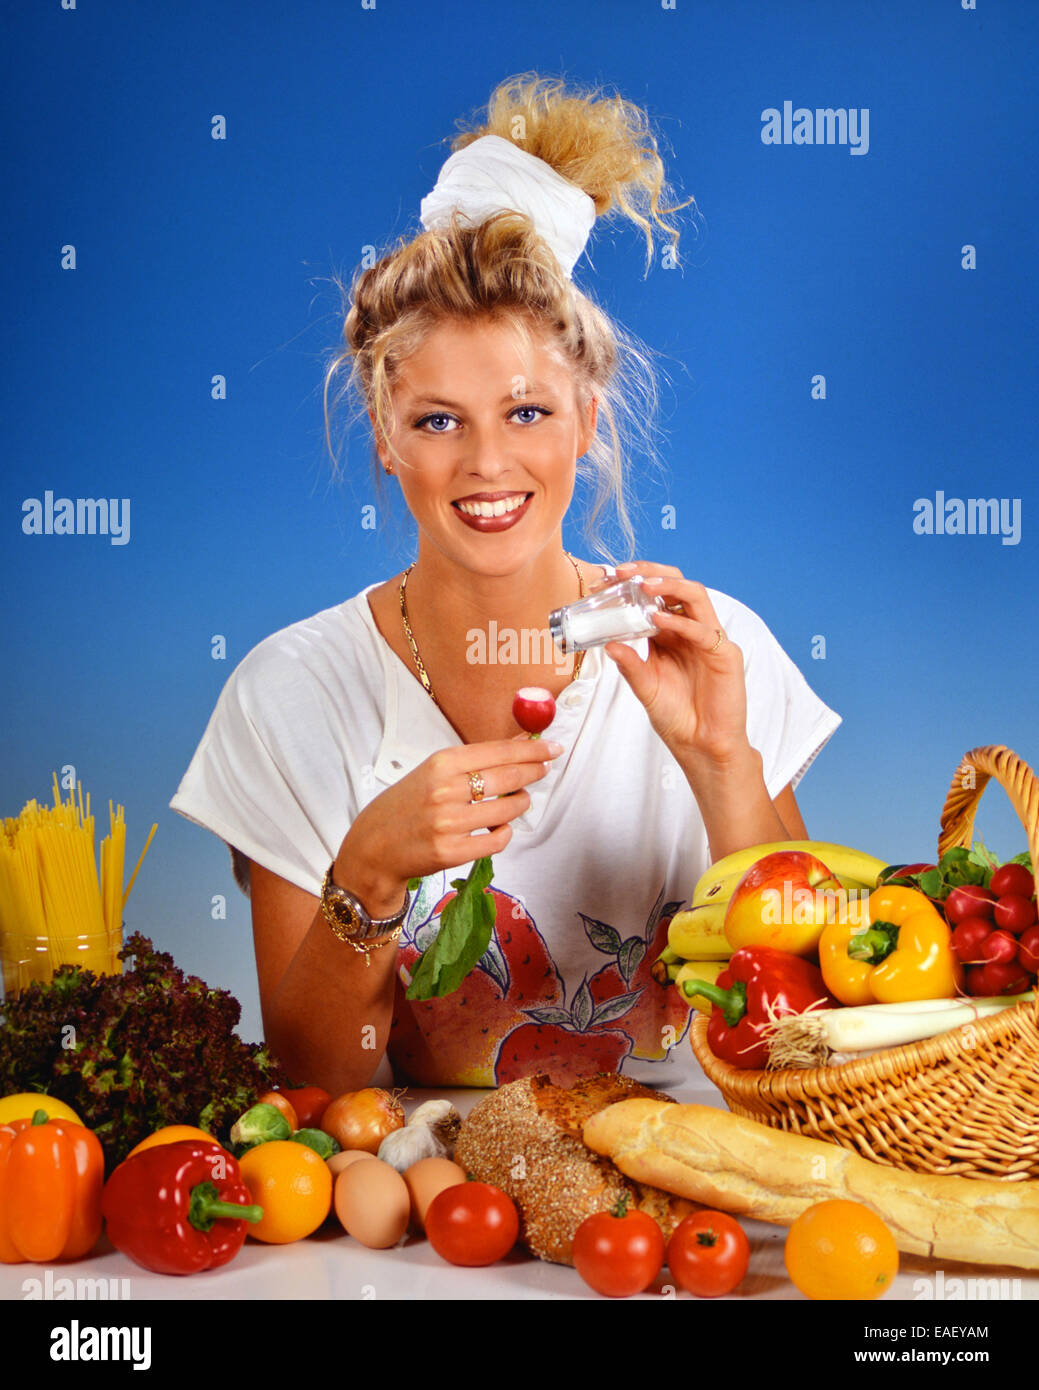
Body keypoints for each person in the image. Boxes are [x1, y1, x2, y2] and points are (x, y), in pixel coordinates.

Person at [170, 73, 841, 1097]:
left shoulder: (712, 651)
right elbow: (316, 1082)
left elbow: (811, 1020)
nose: (487, 462)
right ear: (386, 438)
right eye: (439, 419)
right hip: (438, 1236)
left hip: (677, 1209)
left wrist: (722, 766)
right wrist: (370, 875)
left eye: (526, 413)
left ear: (588, 417)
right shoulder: (291, 693)